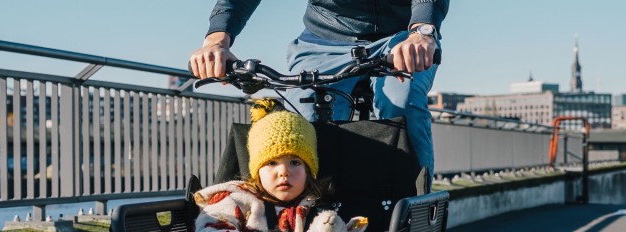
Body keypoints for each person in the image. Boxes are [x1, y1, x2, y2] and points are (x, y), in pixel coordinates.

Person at [189, 0, 449, 178]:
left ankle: (417, 210)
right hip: (324, 37)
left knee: (400, 103)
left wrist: (422, 32)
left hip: (403, 36)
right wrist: (216, 40)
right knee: (304, 116)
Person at [194, 99, 367, 232]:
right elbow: (209, 228)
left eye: (295, 163)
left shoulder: (315, 207)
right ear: (257, 171)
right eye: (271, 163)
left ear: (308, 171)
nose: (283, 172)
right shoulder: (238, 199)